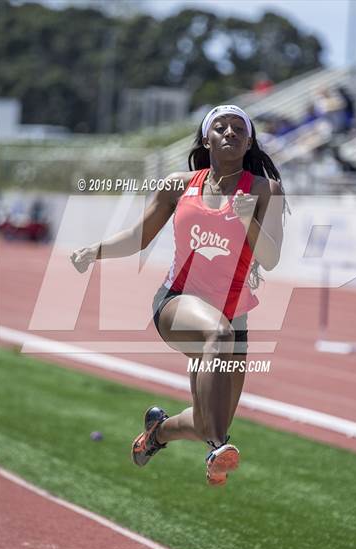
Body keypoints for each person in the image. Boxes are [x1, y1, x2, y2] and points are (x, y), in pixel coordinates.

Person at [71, 104, 285, 486]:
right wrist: (94, 251)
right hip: (176, 303)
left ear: (249, 140)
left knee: (206, 420)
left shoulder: (264, 190)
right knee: (216, 337)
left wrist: (248, 218)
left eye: (239, 128)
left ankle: (159, 432)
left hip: (235, 316)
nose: (230, 133)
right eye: (221, 127)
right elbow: (139, 237)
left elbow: (270, 259)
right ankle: (218, 448)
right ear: (207, 138)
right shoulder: (178, 185)